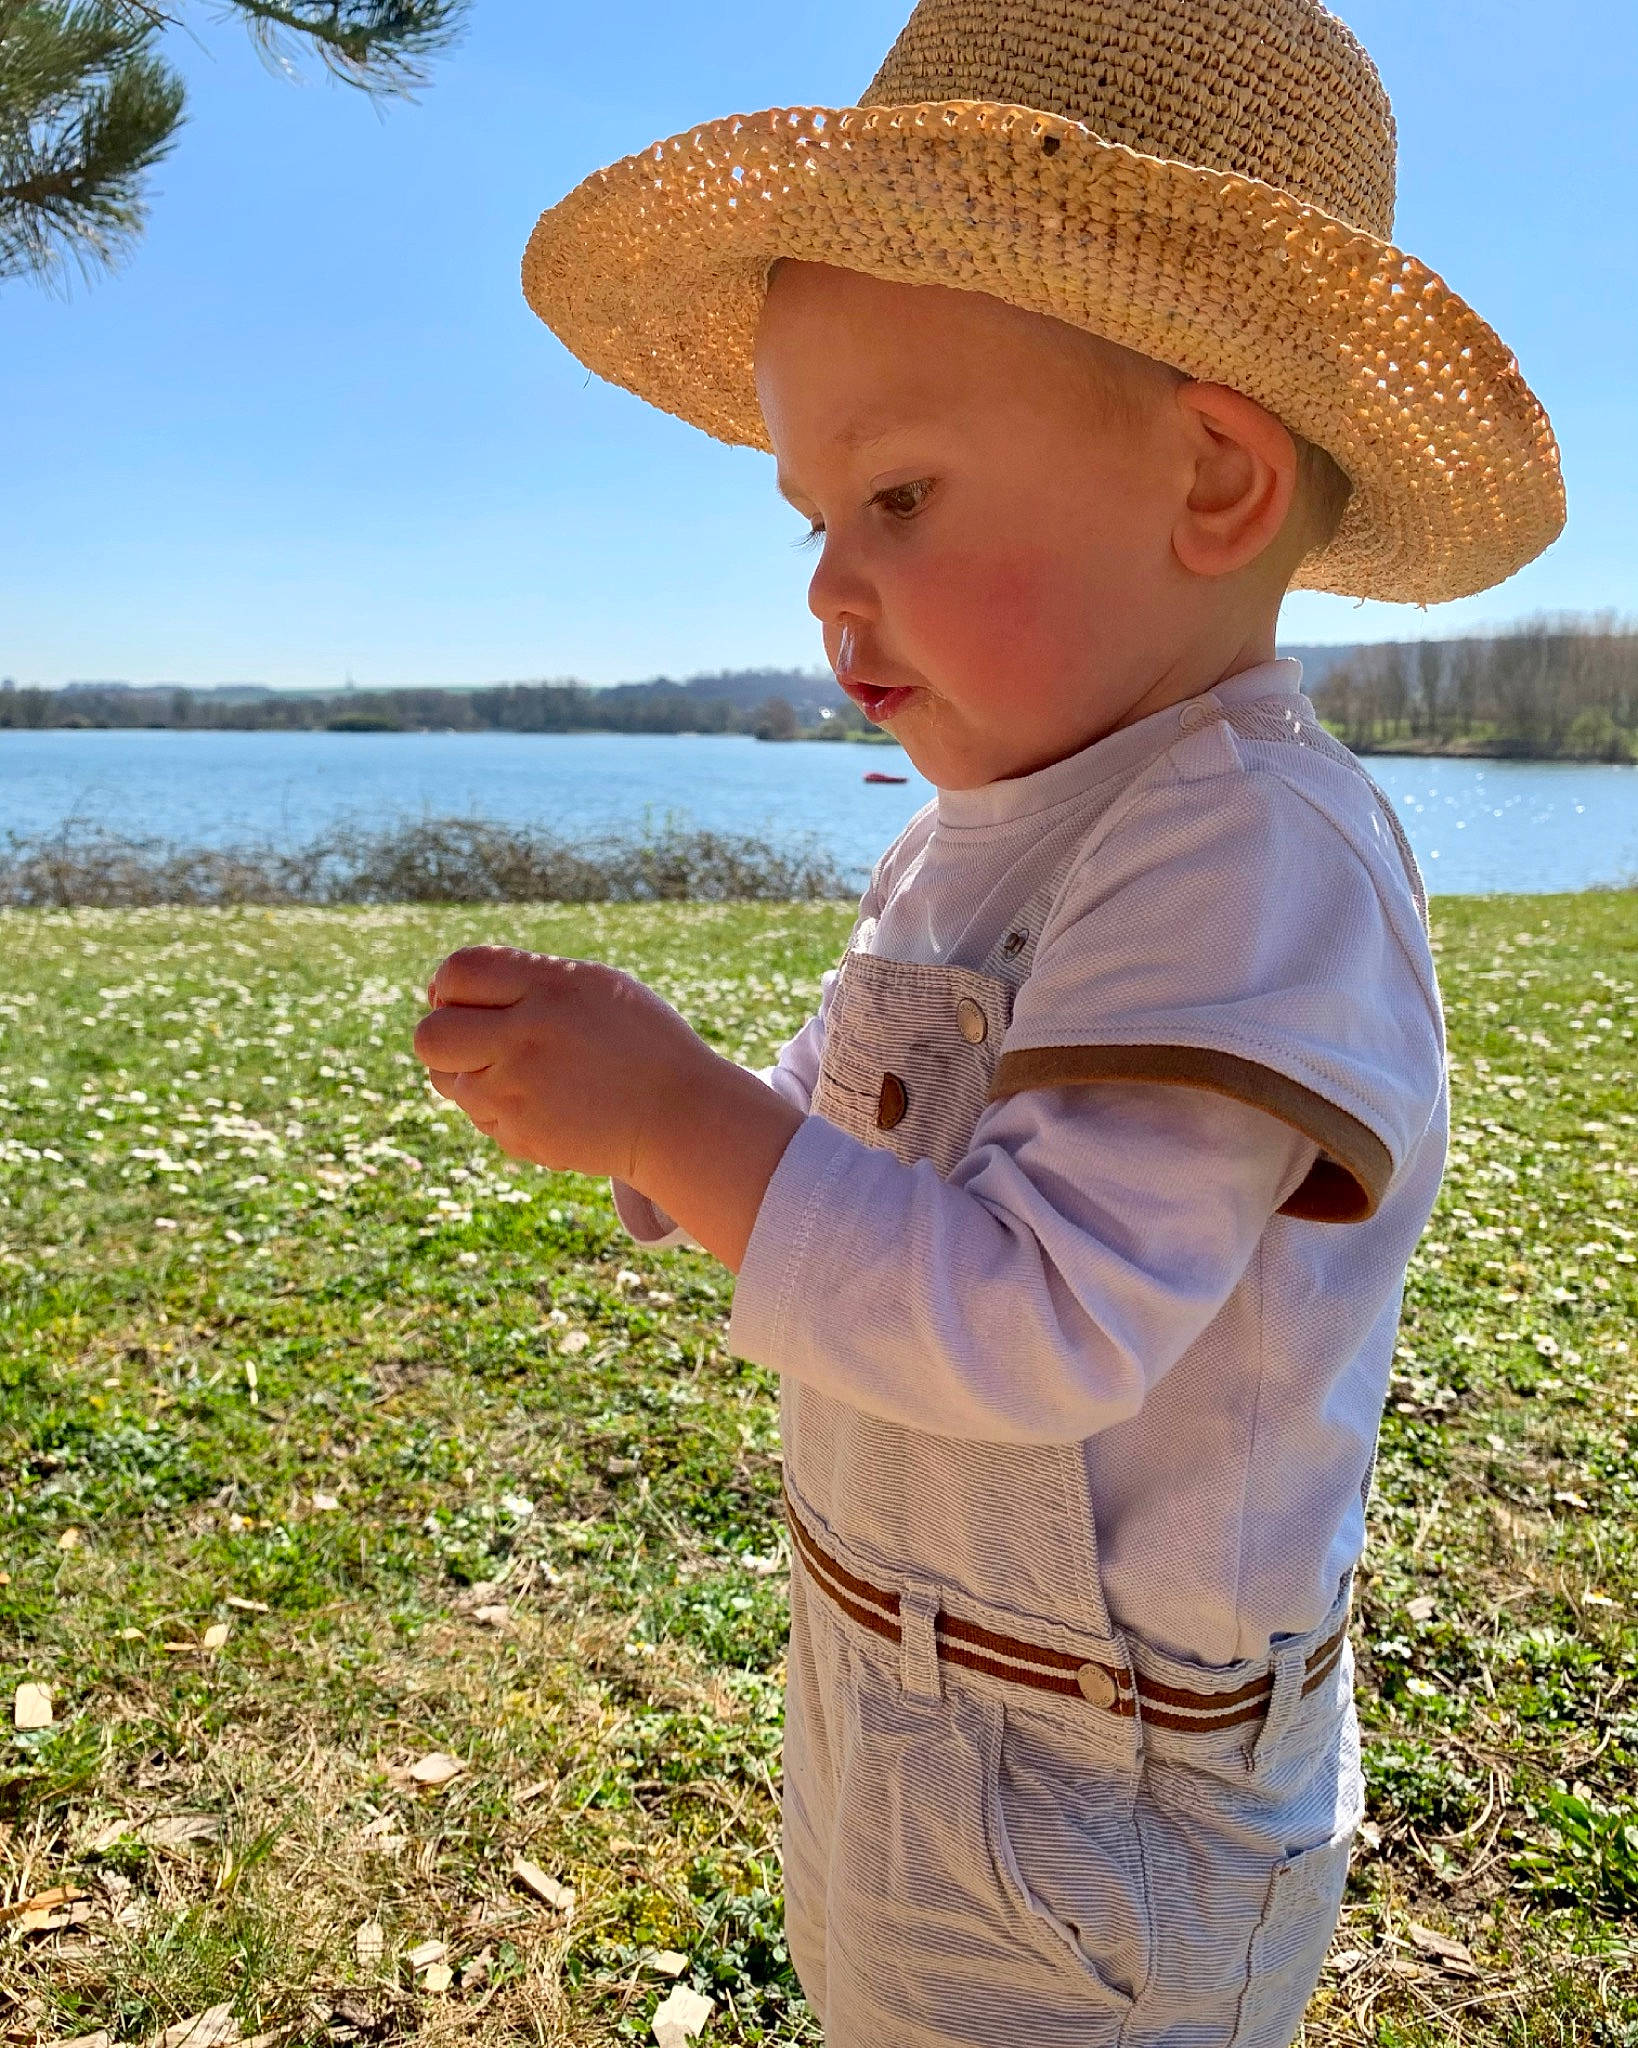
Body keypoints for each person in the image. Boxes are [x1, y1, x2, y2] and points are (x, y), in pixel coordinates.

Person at [412, 2, 1563, 2040]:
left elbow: (1040, 1320)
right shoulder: (993, 817)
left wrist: (686, 1122)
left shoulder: (1251, 852)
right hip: (911, 1690)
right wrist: (667, 1125)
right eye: (815, 518)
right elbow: (871, 1108)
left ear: (1213, 476)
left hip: (1101, 1800)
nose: (828, 586)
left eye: (905, 503)